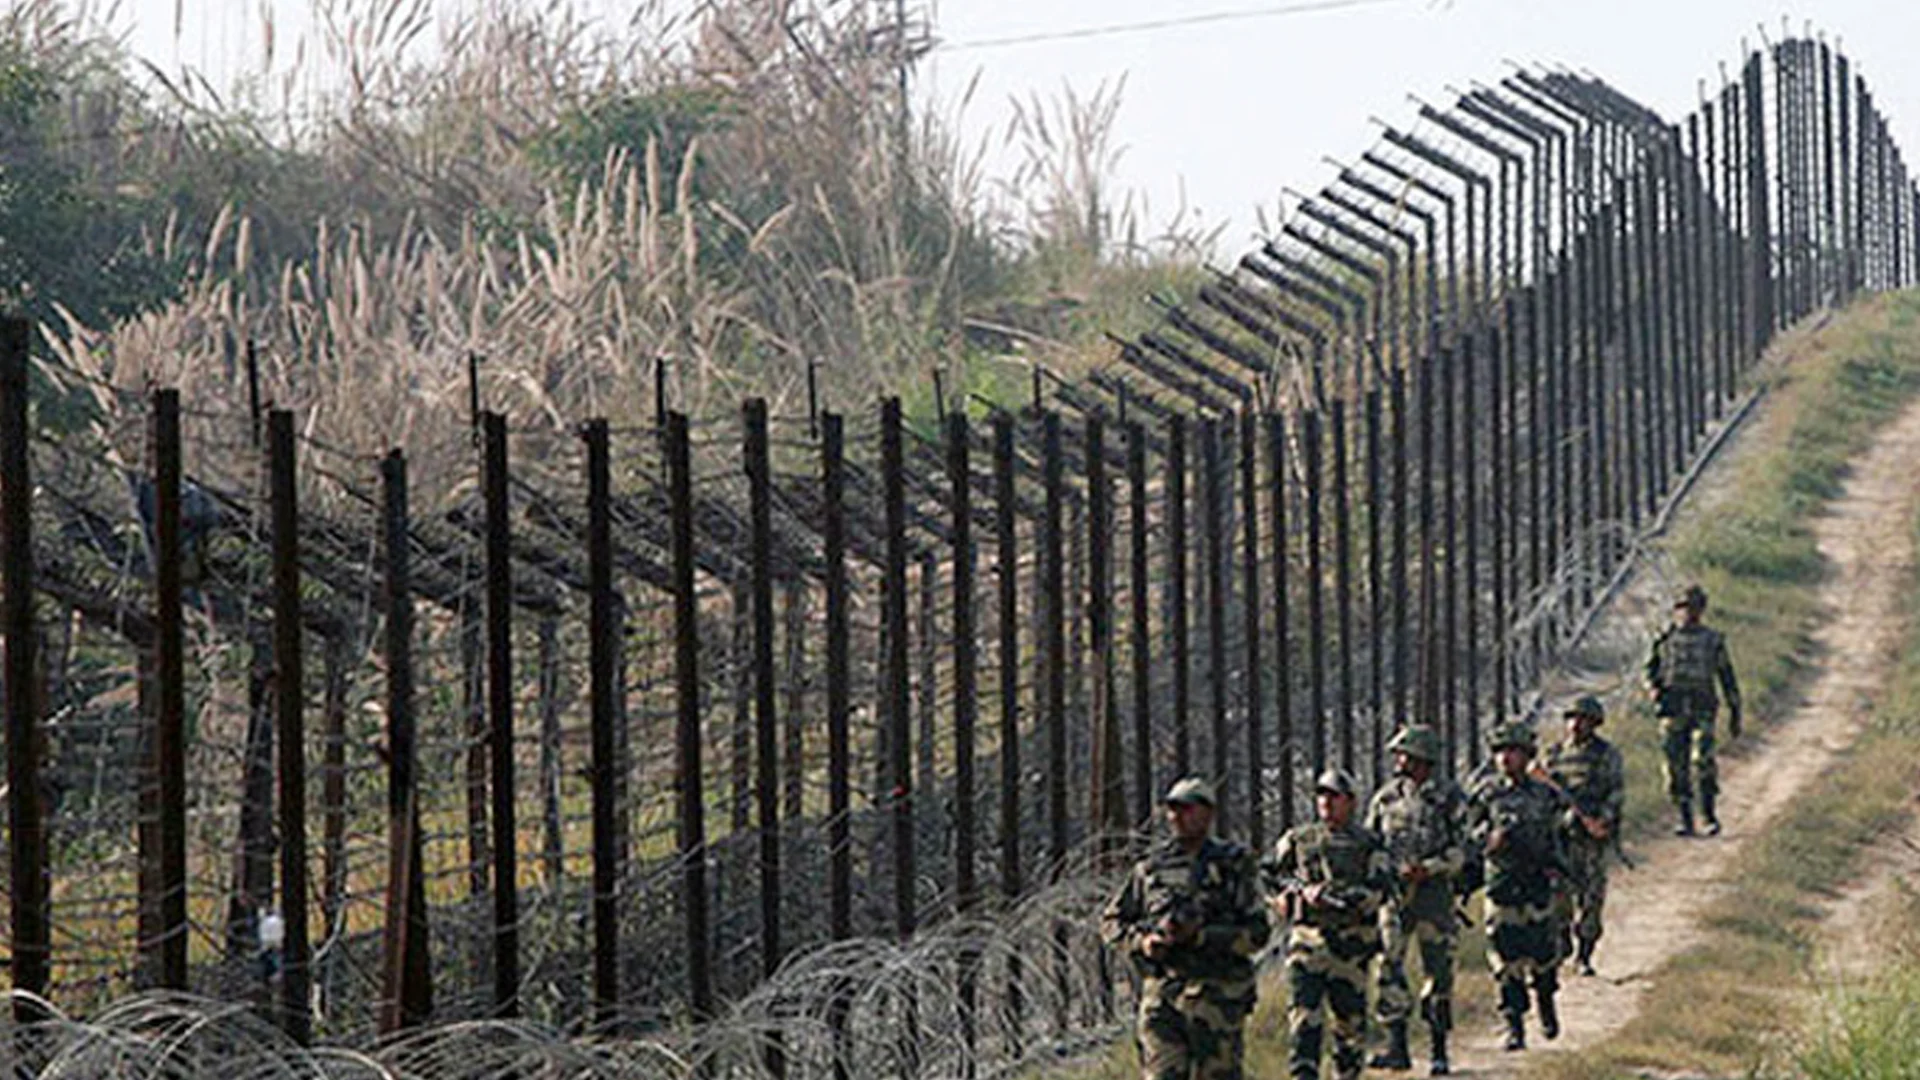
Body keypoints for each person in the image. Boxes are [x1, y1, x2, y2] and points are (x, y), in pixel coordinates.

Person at [1102, 777, 1271, 1080]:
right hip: (1163, 997)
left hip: (1218, 998)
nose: (1177, 817)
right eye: (1172, 810)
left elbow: (1258, 933)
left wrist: (1203, 936)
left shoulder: (1235, 863)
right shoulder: (1152, 868)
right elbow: (1111, 922)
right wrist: (1144, 942)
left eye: (1186, 809)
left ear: (1207, 814)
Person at [1265, 768, 1392, 1080]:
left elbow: (1381, 889)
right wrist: (1292, 893)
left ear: (1350, 802)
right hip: (1307, 946)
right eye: (1321, 794)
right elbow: (1270, 875)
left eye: (1334, 795)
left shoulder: (1368, 843)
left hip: (1351, 949)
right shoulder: (1298, 839)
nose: (1326, 801)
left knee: (1350, 1029)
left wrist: (1341, 898)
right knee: (1304, 1020)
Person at [1364, 725, 1468, 1076]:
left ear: (1422, 758)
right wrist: (1387, 872)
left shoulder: (1449, 798)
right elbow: (1372, 845)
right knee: (1388, 968)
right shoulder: (1385, 798)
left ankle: (1439, 1051)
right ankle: (1397, 1048)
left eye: (1404, 754)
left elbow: (1463, 849)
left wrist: (1431, 868)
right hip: (1394, 899)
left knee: (1438, 972)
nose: (1399, 760)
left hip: (1434, 898)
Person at [1470, 722, 1571, 1052]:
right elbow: (1466, 834)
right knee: (1504, 958)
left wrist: (1559, 871)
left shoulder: (1545, 795)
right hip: (1502, 884)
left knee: (1543, 952)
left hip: (1537, 883)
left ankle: (1545, 998)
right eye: (1500, 752)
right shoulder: (1487, 794)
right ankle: (1514, 1023)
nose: (1506, 758)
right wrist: (1489, 840)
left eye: (1513, 751)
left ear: (1527, 755)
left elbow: (1562, 833)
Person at [1538, 695, 1626, 977]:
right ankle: (1563, 942)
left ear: (1594, 723)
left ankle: (1585, 954)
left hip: (1592, 840)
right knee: (1558, 897)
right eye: (1572, 718)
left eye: (1583, 720)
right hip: (1562, 838)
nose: (1576, 725)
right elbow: (1542, 794)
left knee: (1592, 898)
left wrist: (1602, 820)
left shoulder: (1606, 755)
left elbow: (1616, 792)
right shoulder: (1553, 755)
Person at [1645, 584, 1742, 836]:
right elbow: (1650, 669)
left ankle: (1708, 815)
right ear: (1677, 610)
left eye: (1695, 608)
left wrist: (1735, 711)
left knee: (1702, 761)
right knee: (1675, 766)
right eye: (1684, 607)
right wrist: (1653, 688)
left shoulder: (1712, 641)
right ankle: (1684, 818)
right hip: (1673, 708)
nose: (1689, 613)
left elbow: (1726, 675)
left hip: (1702, 708)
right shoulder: (1665, 639)